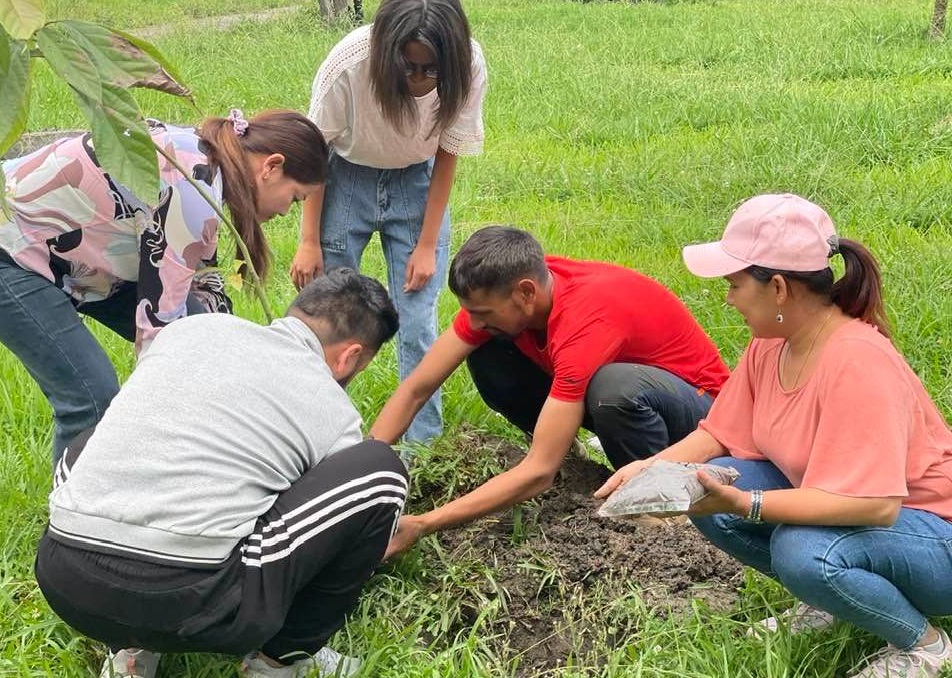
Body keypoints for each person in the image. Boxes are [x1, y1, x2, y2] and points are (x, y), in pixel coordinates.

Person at [596, 194, 952, 678]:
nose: (728, 298)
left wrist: (747, 504)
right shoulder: (772, 345)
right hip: (870, 519)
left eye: (735, 284)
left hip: (933, 536)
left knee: (802, 549)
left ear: (779, 287)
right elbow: (718, 433)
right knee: (702, 484)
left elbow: (875, 505)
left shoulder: (858, 362)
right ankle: (832, 599)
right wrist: (653, 469)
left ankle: (925, 645)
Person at [34, 268, 407, 678]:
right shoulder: (334, 412)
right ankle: (280, 661)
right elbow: (325, 528)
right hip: (195, 605)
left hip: (63, 580)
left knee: (96, 440)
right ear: (350, 356)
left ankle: (131, 654)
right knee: (382, 473)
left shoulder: (188, 331)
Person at [375, 225, 731, 557]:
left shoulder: (586, 320)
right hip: (625, 395)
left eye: (483, 311)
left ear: (526, 292)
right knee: (487, 348)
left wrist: (424, 524)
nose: (476, 321)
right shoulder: (512, 295)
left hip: (702, 416)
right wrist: (363, 466)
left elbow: (539, 472)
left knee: (615, 389)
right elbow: (417, 389)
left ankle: (664, 508)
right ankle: (570, 455)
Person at [1, 109, 328, 462]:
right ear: (272, 167)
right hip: (14, 251)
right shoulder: (193, 189)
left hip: (74, 256)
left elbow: (201, 285)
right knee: (91, 397)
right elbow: (160, 330)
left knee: (204, 340)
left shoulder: (207, 164)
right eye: (295, 198)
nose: (286, 212)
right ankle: (75, 513)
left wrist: (241, 358)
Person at [289, 0, 488, 443]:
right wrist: (309, 240)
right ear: (385, 53)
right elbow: (316, 150)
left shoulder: (468, 62)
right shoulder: (350, 63)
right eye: (407, 67)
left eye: (430, 70)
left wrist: (425, 243)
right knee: (332, 318)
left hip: (415, 186)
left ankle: (423, 447)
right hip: (344, 179)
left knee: (418, 321)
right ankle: (322, 438)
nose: (418, 81)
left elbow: (448, 150)